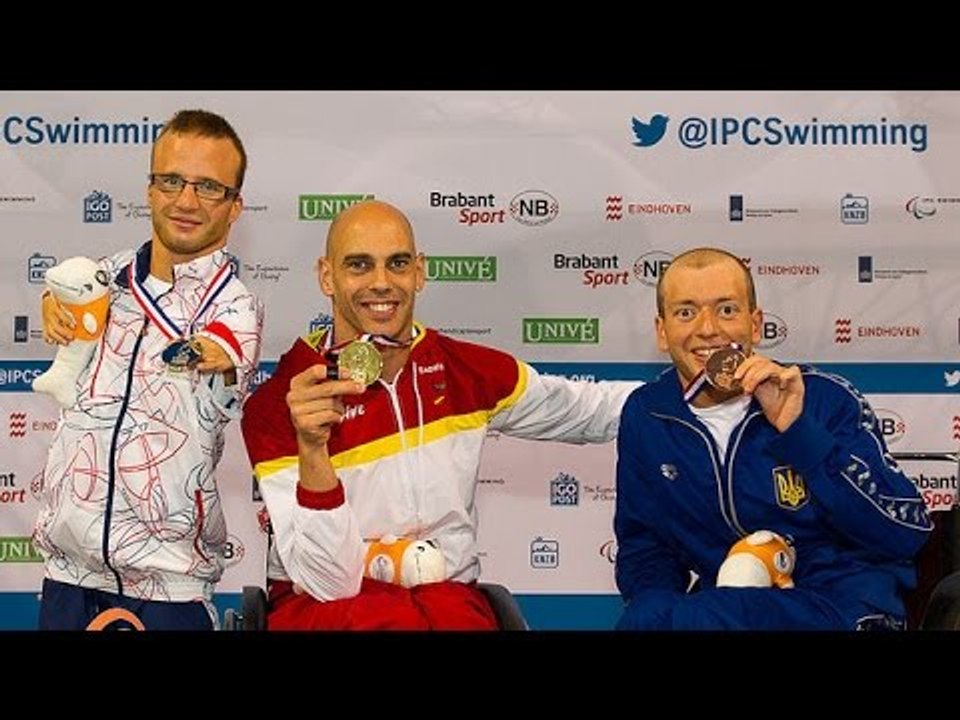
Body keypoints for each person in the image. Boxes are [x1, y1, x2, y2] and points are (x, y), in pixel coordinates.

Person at [241, 199, 637, 630]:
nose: (381, 283)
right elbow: (327, 581)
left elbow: (586, 409)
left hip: (446, 600)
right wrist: (312, 447)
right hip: (326, 606)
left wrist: (701, 393)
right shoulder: (282, 401)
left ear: (420, 272)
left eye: (397, 263)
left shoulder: (463, 370)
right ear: (326, 276)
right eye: (359, 265)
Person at [614, 247, 932, 630]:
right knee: (647, 617)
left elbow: (902, 534)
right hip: (722, 608)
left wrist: (799, 431)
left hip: (840, 605)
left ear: (756, 323)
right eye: (686, 312)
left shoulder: (823, 399)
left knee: (711, 614)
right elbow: (645, 547)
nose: (708, 328)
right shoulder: (648, 414)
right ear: (663, 332)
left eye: (727, 309)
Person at [34, 109, 264, 630]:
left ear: (235, 208)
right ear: (150, 188)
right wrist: (54, 303)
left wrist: (207, 355)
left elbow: (223, 355)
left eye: (209, 187)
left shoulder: (236, 306)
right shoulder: (108, 275)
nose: (186, 200)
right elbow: (69, 293)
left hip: (169, 587)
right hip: (68, 577)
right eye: (172, 181)